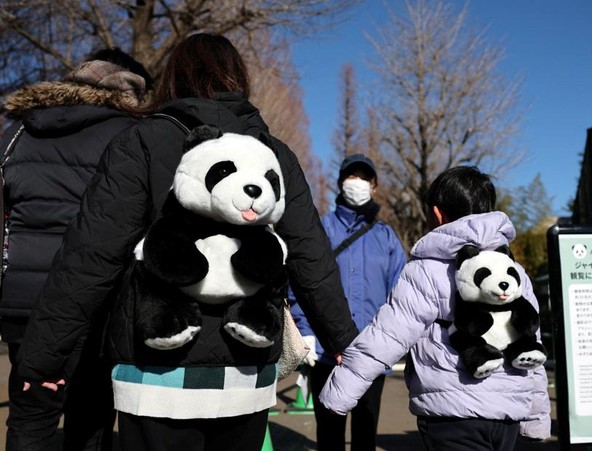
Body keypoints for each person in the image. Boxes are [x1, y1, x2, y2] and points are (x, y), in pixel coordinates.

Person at [16, 33, 359, 451]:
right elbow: (311, 257)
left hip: (155, 373)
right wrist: (343, 341)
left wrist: (41, 360)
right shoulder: (273, 154)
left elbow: (90, 258)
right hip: (245, 373)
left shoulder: (140, 142)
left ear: (172, 80)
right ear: (238, 79)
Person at [320, 166, 551, 450]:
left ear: (437, 214)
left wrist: (338, 394)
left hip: (451, 412)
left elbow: (387, 336)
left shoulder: (426, 271)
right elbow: (531, 346)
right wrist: (537, 417)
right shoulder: (515, 272)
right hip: (508, 417)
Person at [0, 47, 152, 451]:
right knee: (91, 416)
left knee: (31, 411)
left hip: (22, 302)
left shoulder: (17, 131)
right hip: (93, 302)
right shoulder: (130, 135)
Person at [289, 153, 406, 451]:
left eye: (364, 177)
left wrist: (394, 342)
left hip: (371, 352)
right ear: (340, 183)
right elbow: (302, 281)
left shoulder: (387, 237)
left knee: (366, 435)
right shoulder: (320, 229)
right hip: (328, 350)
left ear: (374, 186)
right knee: (329, 435)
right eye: (351, 176)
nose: (358, 182)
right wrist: (306, 329)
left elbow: (401, 294)